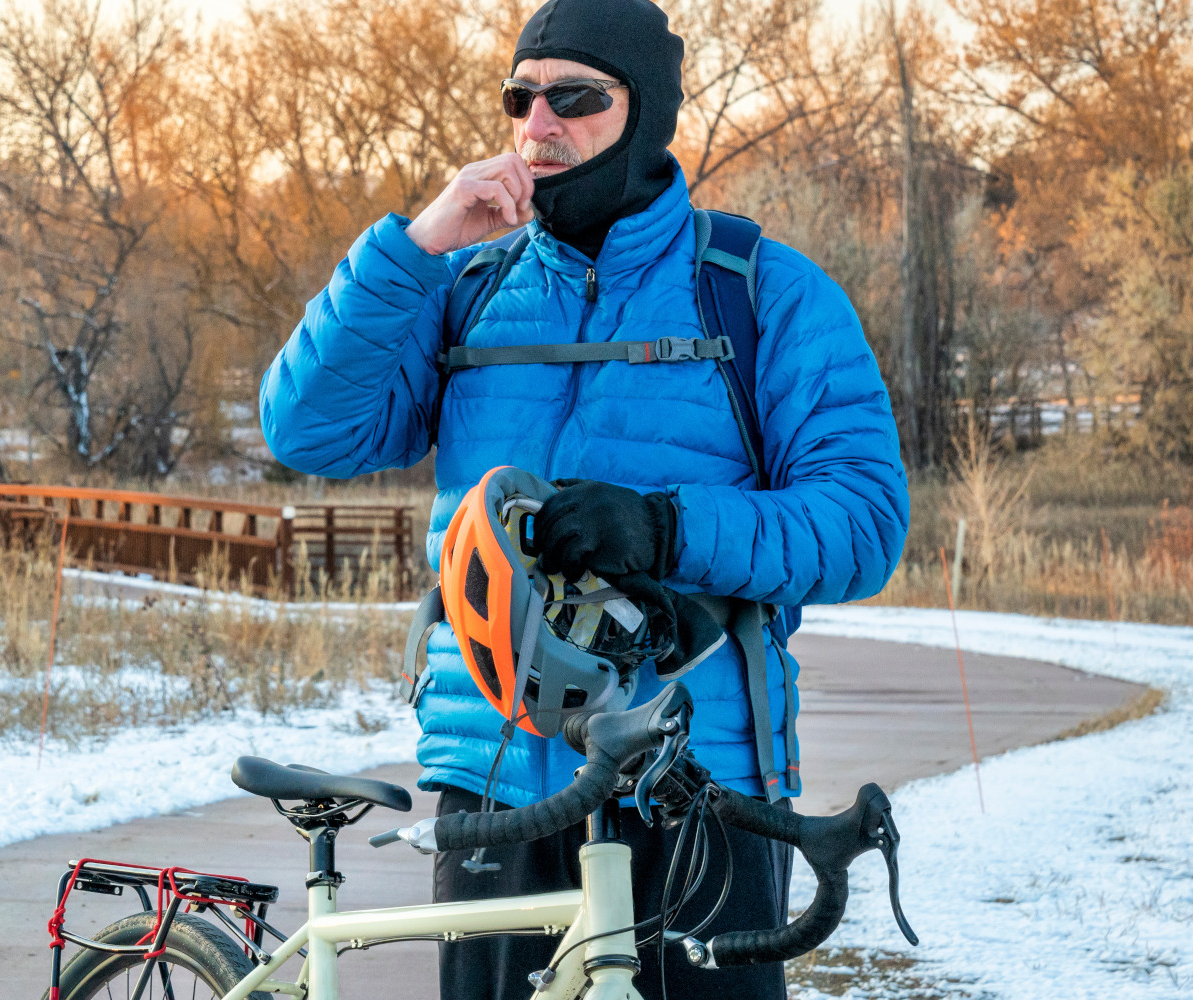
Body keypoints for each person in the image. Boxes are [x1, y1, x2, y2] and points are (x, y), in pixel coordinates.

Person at [257, 0, 911, 998]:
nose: (537, 124)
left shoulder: (759, 290)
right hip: (493, 782)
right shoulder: (464, 287)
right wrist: (416, 242)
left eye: (573, 97)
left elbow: (863, 522)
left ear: (644, 114)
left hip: (701, 781)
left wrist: (666, 525)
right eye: (519, 97)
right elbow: (306, 428)